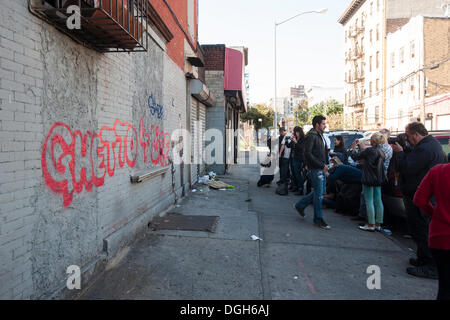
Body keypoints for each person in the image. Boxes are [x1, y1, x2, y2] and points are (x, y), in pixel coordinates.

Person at [392, 122, 445, 279]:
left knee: (422, 229)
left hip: (422, 196)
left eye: (408, 136)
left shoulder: (426, 148)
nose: (407, 140)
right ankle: (423, 259)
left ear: (416, 134)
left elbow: (407, 166)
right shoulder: (427, 146)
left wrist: (401, 152)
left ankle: (430, 265)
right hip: (418, 194)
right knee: (418, 229)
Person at [413, 163, 450, 300]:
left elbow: (419, 199)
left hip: (440, 237)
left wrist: (435, 214)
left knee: (445, 287)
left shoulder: (437, 171)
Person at [293, 115, 330, 230]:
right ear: (317, 125)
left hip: (321, 168)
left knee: (320, 192)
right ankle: (318, 218)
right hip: (315, 169)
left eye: (325, 123)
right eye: (323, 124)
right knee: (319, 195)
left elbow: (322, 152)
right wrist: (321, 165)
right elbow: (307, 153)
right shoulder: (311, 136)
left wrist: (326, 165)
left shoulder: (320, 135)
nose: (325, 125)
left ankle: (300, 205)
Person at [350, 132, 387, 232]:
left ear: (373, 141)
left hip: (368, 178)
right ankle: (378, 223)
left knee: (369, 201)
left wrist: (353, 147)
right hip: (378, 179)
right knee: (378, 201)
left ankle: (371, 224)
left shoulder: (369, 150)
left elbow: (355, 156)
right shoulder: (381, 151)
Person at [289, 126, 305, 195]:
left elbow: (302, 148)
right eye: (295, 132)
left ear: (299, 132)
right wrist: (288, 141)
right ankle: (295, 187)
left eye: (296, 132)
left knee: (298, 174)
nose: (295, 133)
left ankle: (300, 189)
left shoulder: (303, 139)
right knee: (294, 173)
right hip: (293, 157)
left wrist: (295, 142)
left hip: (299, 158)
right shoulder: (295, 138)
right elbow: (290, 146)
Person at [277, 129, 292, 195]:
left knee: (288, 170)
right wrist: (280, 154)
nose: (281, 132)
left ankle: (287, 181)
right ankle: (283, 180)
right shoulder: (283, 137)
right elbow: (283, 145)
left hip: (291, 156)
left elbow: (286, 145)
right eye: (280, 131)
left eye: (282, 131)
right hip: (286, 156)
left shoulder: (289, 135)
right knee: (284, 169)